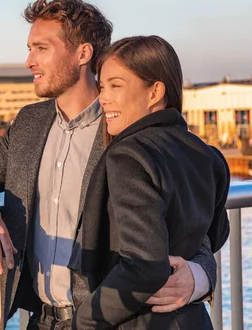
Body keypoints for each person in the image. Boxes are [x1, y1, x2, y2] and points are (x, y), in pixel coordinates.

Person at [0, 0, 223, 329]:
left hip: (106, 321)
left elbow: (193, 225)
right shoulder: (29, 123)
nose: (28, 61)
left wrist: (200, 275)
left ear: (83, 53)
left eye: (41, 48)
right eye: (29, 48)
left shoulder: (128, 129)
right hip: (40, 319)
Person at [70, 35, 229, 328]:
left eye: (116, 85)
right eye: (102, 86)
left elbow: (143, 266)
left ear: (155, 91)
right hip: (192, 319)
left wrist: (86, 321)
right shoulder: (207, 154)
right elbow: (215, 235)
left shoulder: (129, 155)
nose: (103, 97)